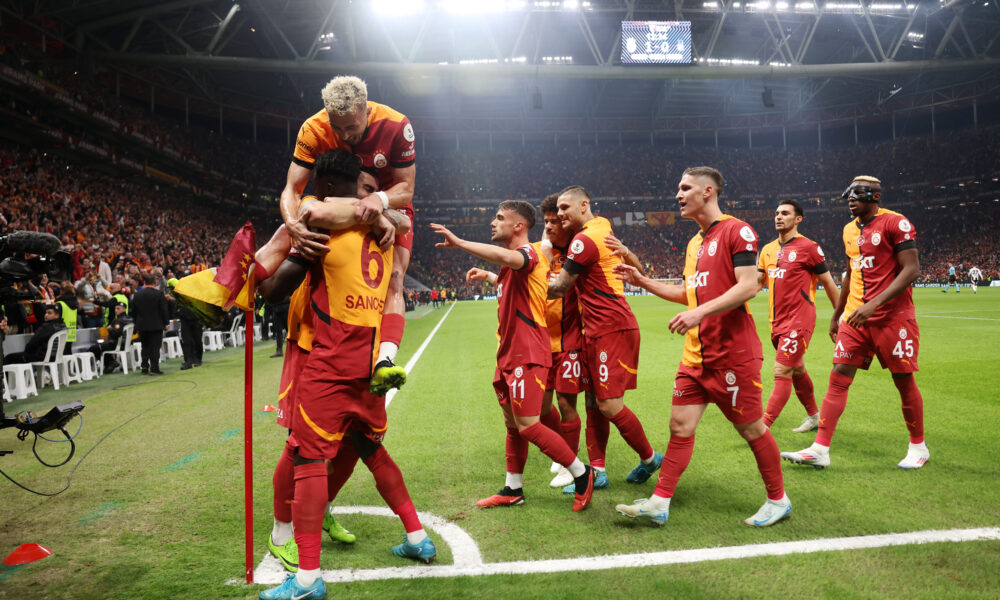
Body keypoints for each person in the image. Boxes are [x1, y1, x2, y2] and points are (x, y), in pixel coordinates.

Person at [260, 157, 426, 600]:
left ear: (329, 186)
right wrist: (383, 214)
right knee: (369, 448)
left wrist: (254, 269)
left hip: (328, 363)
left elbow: (272, 289)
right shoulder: (386, 232)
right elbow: (400, 226)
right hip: (369, 366)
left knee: (305, 457)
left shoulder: (324, 224)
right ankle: (416, 536)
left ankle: (303, 571)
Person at [612, 167, 790, 528]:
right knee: (680, 426)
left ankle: (779, 500)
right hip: (695, 357)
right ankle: (659, 503)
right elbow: (688, 293)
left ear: (708, 191)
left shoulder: (737, 231)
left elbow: (748, 286)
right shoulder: (695, 243)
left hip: (732, 355)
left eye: (685, 188)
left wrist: (699, 312)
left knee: (751, 428)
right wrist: (643, 281)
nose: (677, 195)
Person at [434, 201, 595, 512]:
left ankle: (581, 473)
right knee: (513, 425)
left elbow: (511, 258)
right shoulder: (512, 267)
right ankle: (513, 488)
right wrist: (489, 276)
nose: (493, 223)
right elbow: (515, 285)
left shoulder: (529, 253)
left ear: (518, 226)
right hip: (507, 354)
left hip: (528, 351)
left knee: (529, 425)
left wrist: (460, 243)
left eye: (499, 218)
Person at [279, 75, 413, 396]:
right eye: (336, 128)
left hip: (387, 201)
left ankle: (385, 360)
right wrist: (293, 225)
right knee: (292, 230)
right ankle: (224, 285)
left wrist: (378, 201)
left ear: (366, 110)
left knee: (395, 278)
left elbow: (406, 189)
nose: (344, 136)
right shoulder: (313, 128)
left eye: (351, 127)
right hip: (338, 200)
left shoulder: (396, 125)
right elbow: (292, 189)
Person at [782, 176, 928, 470]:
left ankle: (918, 446)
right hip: (855, 317)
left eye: (858, 193)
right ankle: (820, 449)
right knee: (839, 376)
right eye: (848, 194)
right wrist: (838, 313)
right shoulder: (849, 229)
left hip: (892, 317)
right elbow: (851, 271)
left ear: (875, 196)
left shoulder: (895, 223)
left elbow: (912, 269)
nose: (851, 198)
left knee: (903, 380)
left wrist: (873, 305)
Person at [547, 186, 662, 486]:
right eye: (557, 210)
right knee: (592, 402)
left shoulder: (584, 240)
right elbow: (638, 268)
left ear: (584, 205)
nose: (560, 214)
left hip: (611, 327)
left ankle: (650, 458)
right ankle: (598, 470)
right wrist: (628, 252)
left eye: (564, 208)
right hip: (595, 329)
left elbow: (560, 287)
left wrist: (520, 287)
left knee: (609, 405)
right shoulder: (602, 227)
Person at [756, 200, 839, 433]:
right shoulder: (767, 250)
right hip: (776, 322)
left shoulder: (809, 248)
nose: (778, 217)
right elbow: (757, 282)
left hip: (800, 320)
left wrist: (839, 316)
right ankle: (814, 417)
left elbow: (828, 283)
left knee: (782, 371)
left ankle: (762, 427)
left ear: (798, 219)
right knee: (798, 371)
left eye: (785, 213)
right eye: (776, 213)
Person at [536, 194, 592, 490]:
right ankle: (564, 449)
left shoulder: (577, 253)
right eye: (545, 221)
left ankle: (572, 463)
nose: (548, 226)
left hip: (570, 339)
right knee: (542, 408)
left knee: (566, 403)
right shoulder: (540, 251)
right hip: (542, 341)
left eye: (554, 221)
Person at [132, 272, 169, 375]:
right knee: (155, 347)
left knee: (145, 346)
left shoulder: (137, 295)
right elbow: (164, 310)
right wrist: (166, 323)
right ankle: (154, 368)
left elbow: (133, 312)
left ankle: (144, 366)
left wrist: (136, 323)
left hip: (142, 325)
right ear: (155, 282)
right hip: (156, 324)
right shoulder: (159, 294)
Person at [84, 302, 133, 372]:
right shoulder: (130, 319)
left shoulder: (118, 320)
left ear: (124, 309)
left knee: (94, 348)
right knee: (101, 345)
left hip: (117, 344)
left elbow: (116, 333)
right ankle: (110, 363)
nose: (116, 310)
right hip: (128, 343)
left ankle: (110, 362)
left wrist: (109, 329)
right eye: (115, 308)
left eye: (118, 309)